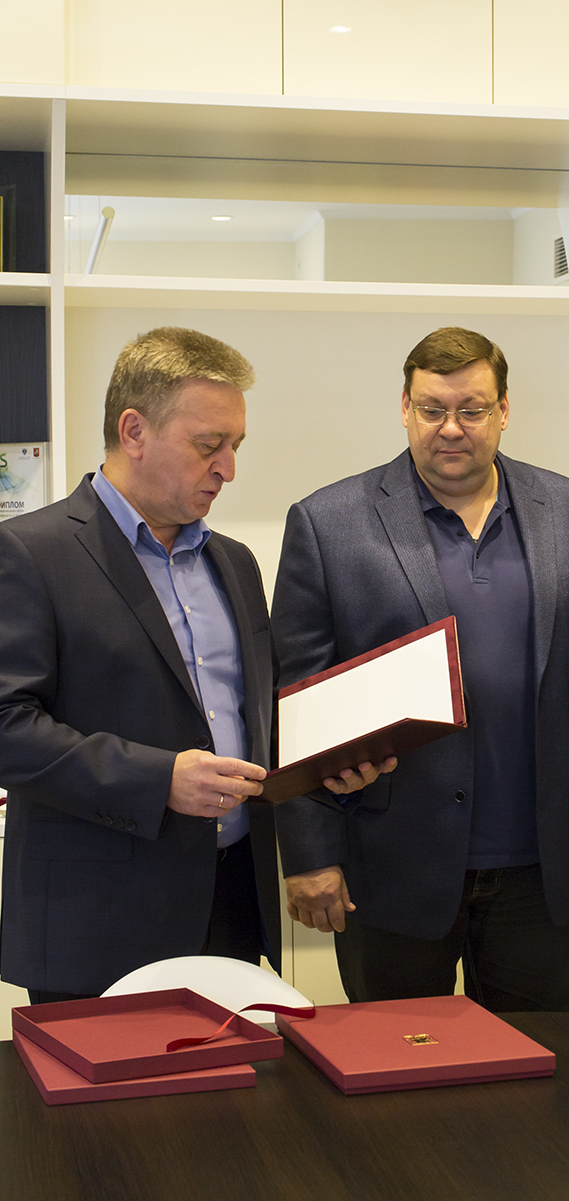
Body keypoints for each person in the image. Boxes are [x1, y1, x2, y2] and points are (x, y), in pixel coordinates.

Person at [271, 326, 569, 1013]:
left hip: (540, 868)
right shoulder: (328, 524)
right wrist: (310, 853)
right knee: (397, 1067)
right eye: (432, 409)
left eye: (471, 410)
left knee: (535, 1062)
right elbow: (295, 702)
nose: (451, 428)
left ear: (504, 410)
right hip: (391, 867)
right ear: (404, 408)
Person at [0, 327, 288, 1001]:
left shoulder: (236, 563)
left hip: (230, 904)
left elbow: (256, 714)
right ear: (133, 431)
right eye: (208, 445)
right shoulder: (27, 553)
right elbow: (7, 727)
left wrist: (334, 762)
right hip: (97, 919)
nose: (228, 469)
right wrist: (157, 780)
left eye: (236, 446)